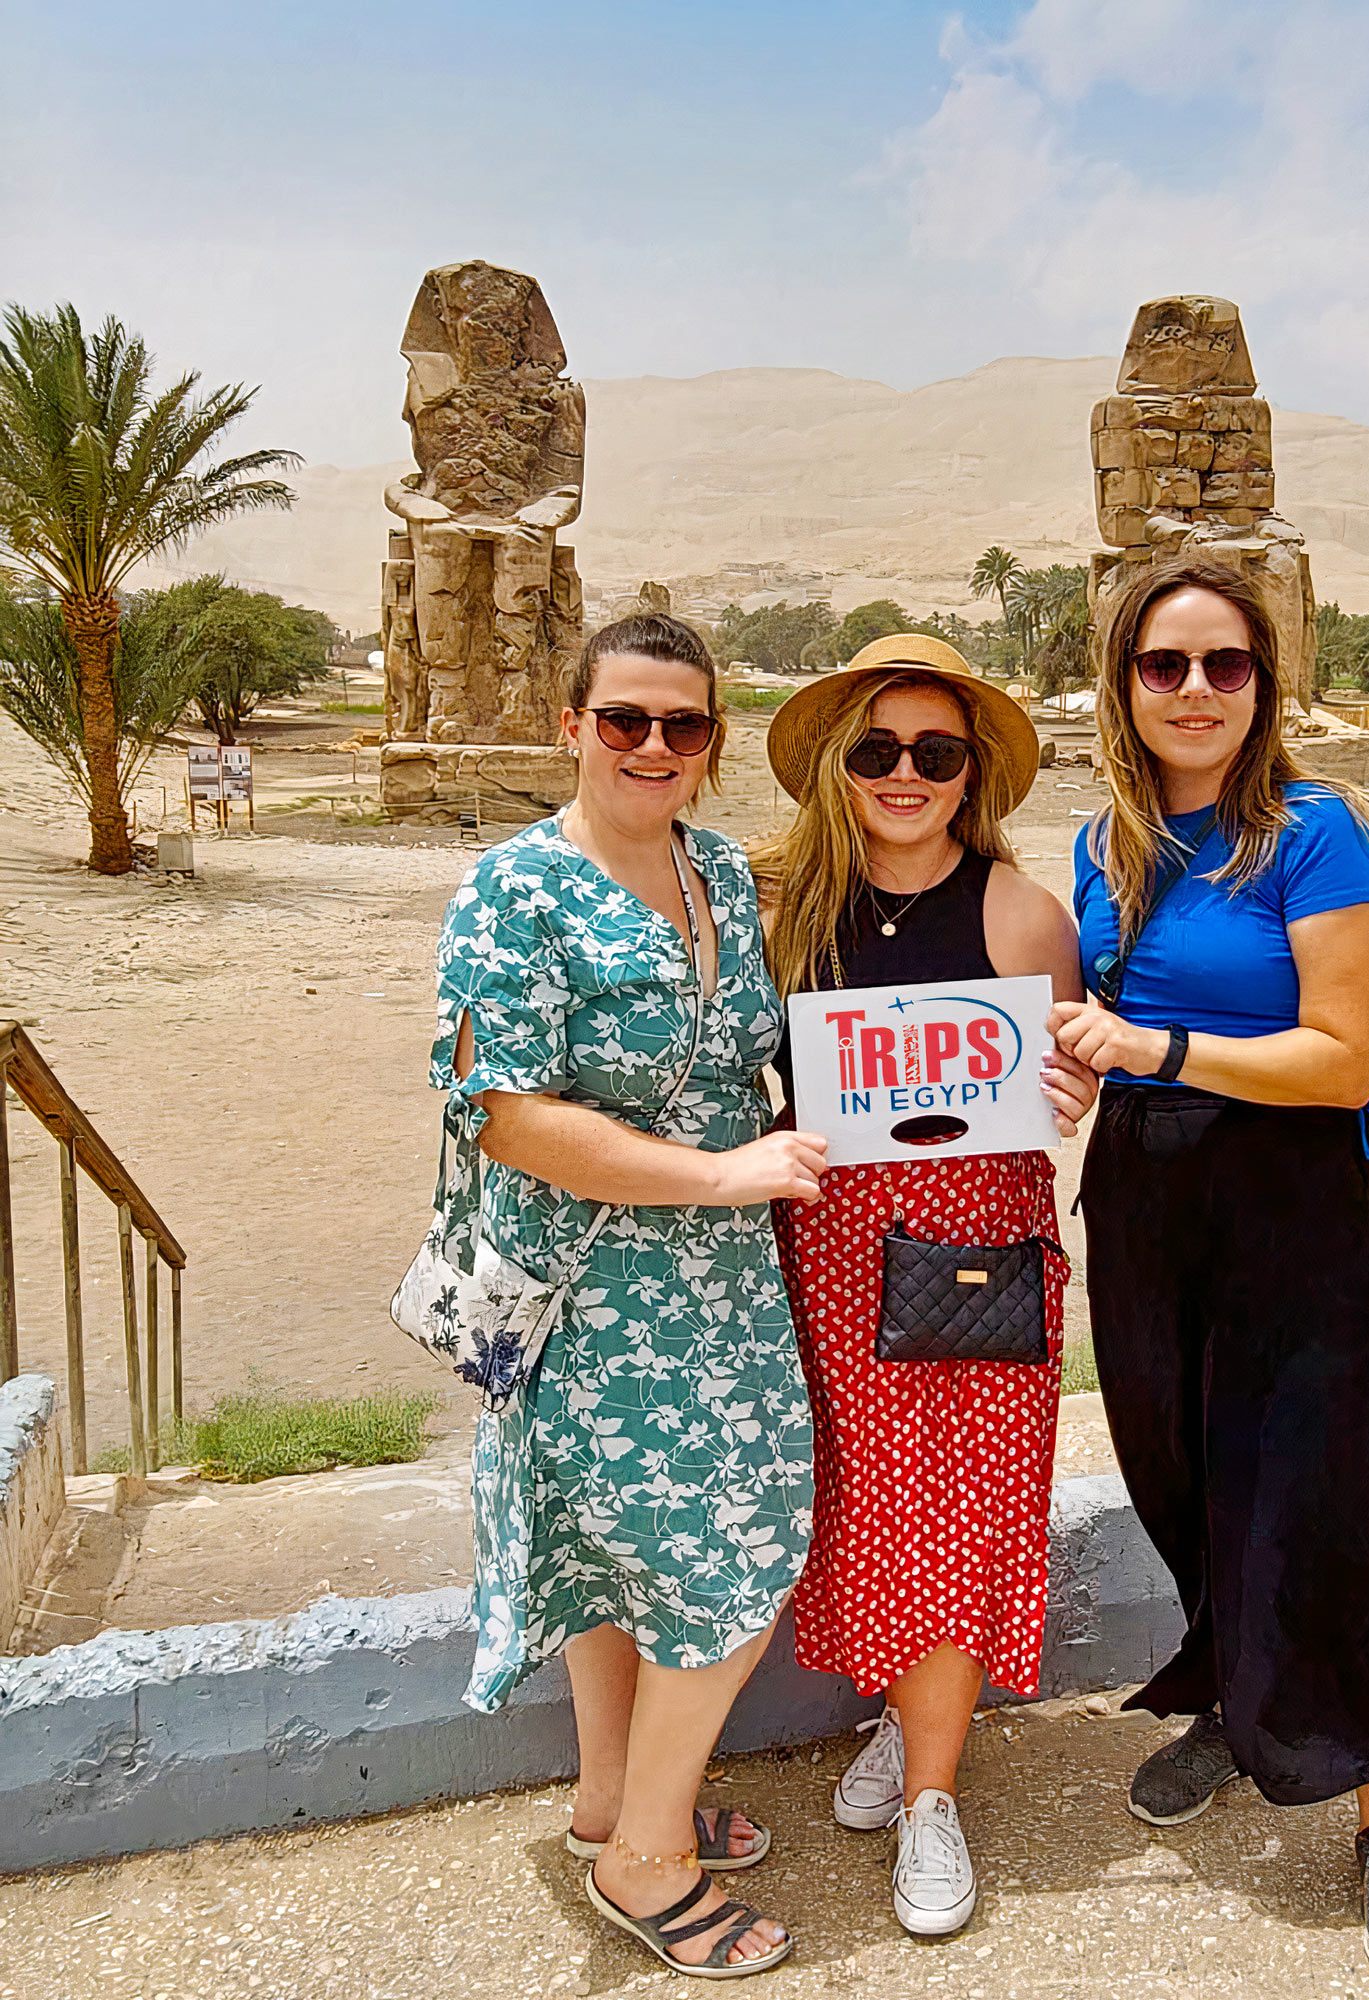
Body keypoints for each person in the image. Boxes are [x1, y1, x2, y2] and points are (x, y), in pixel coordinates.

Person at [1050, 559, 1369, 1983]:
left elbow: (1343, 1055)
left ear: (1262, 684)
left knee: (1318, 1482)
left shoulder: (1315, 830)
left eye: (1226, 665)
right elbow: (1096, 1015)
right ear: (1125, 686)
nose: (1197, 692)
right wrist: (1062, 1073)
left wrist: (1147, 1050)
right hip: (1147, 1187)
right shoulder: (1104, 843)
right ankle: (1237, 1695)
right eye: (1166, 667)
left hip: (1293, 1183)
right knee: (1176, 1461)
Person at [430, 612, 824, 1978]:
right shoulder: (514, 888)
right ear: (572, 726)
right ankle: (645, 1861)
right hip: (591, 1295)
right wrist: (721, 1175)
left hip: (721, 1287)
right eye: (624, 721)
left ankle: (614, 1797)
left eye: (683, 725)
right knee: (737, 1548)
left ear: (712, 743)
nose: (653, 747)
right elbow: (505, 1113)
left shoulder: (720, 871)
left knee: (629, 1556)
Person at [756, 634, 1097, 1939]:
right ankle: (906, 1722)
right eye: (877, 749)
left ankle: (931, 1801)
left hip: (974, 1259)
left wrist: (1077, 1088)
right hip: (829, 1256)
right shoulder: (779, 904)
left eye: (934, 754)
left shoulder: (1019, 916)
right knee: (859, 1508)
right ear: (838, 767)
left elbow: (1059, 1087)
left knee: (959, 1512)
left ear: (970, 778)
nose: (905, 774)